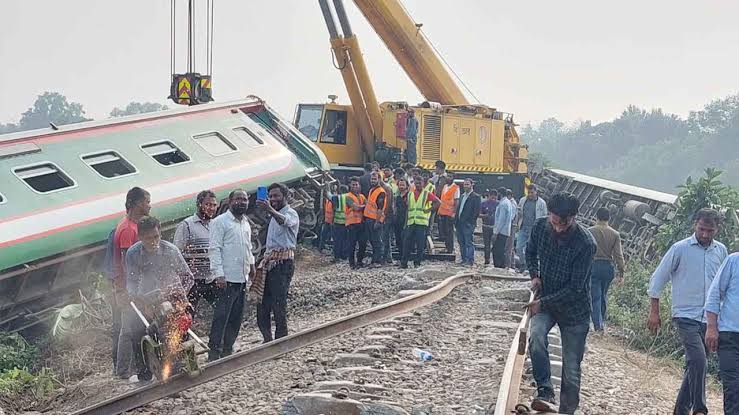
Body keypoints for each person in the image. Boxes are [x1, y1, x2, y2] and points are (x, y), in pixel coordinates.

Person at [647, 208, 727, 415]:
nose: (705, 235)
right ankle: (699, 408)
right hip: (685, 315)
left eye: (710, 230)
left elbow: (724, 287)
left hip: (710, 320)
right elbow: (658, 279)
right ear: (695, 225)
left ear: (717, 229)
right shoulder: (680, 248)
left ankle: (680, 411)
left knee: (694, 365)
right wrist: (654, 312)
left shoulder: (721, 252)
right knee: (699, 359)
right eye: (702, 229)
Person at [525, 192, 596, 414]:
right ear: (549, 216)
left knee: (571, 368)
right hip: (546, 299)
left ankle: (567, 410)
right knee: (535, 338)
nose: (558, 228)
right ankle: (545, 391)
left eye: (563, 224)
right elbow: (530, 252)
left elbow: (575, 289)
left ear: (574, 217)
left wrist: (542, 303)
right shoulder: (540, 227)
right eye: (554, 222)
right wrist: (535, 274)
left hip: (575, 311)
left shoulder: (586, 243)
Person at [122, 216, 194, 382]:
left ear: (160, 233)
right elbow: (132, 281)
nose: (153, 241)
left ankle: (182, 367)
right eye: (148, 238)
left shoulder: (170, 250)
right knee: (137, 331)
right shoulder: (133, 253)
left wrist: (178, 297)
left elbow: (188, 277)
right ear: (140, 237)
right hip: (146, 297)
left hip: (172, 295)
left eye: (156, 237)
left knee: (178, 329)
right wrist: (136, 298)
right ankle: (144, 373)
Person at [208, 189, 255, 361]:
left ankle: (228, 349)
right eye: (238, 199)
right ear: (230, 201)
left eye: (244, 199)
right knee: (221, 317)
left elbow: (248, 247)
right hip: (226, 279)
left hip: (241, 277)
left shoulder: (245, 223)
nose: (242, 202)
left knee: (236, 316)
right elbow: (214, 249)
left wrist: (252, 265)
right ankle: (214, 353)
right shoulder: (220, 222)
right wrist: (218, 274)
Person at [254, 183, 300, 342]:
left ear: (285, 197)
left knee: (278, 302)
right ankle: (267, 339)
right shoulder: (273, 215)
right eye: (271, 196)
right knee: (262, 303)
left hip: (283, 263)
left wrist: (270, 210)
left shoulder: (291, 213)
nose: (273, 199)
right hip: (269, 261)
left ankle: (281, 338)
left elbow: (285, 222)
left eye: (276, 196)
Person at [113, 187, 151, 379]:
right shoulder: (128, 229)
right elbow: (128, 263)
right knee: (128, 329)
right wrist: (130, 290)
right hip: (129, 287)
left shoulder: (136, 226)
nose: (149, 205)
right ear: (137, 204)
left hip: (137, 286)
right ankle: (122, 372)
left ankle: (136, 367)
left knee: (136, 327)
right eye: (147, 201)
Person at [173, 190, 218, 314]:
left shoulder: (215, 225)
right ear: (199, 204)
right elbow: (176, 254)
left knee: (222, 311)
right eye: (208, 205)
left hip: (211, 279)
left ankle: (219, 334)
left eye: (214, 205)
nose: (212, 208)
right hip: (193, 281)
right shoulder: (186, 225)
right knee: (186, 315)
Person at [705, 253, 739, 415]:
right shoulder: (734, 261)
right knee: (733, 386)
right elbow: (714, 294)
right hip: (729, 335)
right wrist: (711, 327)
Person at [587, 207, 625, 332]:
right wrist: (621, 272)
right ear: (609, 218)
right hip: (608, 267)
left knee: (595, 295)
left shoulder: (589, 231)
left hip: (594, 265)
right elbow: (618, 255)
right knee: (603, 295)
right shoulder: (615, 234)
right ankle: (602, 321)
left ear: (596, 217)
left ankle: (598, 326)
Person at [401, 171, 440, 269]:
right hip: (411, 222)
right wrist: (405, 223)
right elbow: (408, 209)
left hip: (421, 223)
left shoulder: (427, 193)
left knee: (420, 244)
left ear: (423, 183)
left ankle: (417, 262)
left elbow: (438, 202)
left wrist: (429, 210)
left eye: (420, 183)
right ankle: (404, 262)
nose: (418, 185)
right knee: (407, 243)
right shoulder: (410, 194)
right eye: (416, 183)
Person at [516, 184, 548, 271]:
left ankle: (528, 267)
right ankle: (523, 263)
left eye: (532, 192)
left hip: (533, 230)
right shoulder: (523, 200)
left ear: (536, 192)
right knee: (518, 247)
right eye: (528, 192)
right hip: (523, 227)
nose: (530, 194)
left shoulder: (541, 203)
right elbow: (519, 213)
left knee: (528, 249)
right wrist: (516, 224)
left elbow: (545, 218)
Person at [363, 171, 388, 267]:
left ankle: (377, 261)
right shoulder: (372, 190)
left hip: (375, 220)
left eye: (375, 179)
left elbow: (380, 208)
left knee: (377, 241)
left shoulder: (381, 192)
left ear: (379, 179)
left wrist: (377, 222)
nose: (373, 180)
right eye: (372, 179)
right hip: (370, 218)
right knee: (373, 241)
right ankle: (374, 260)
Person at [455, 178, 481, 266]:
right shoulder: (462, 196)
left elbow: (476, 212)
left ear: (472, 185)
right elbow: (459, 209)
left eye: (467, 184)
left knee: (468, 242)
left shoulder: (476, 197)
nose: (465, 186)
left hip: (468, 224)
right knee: (461, 242)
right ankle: (463, 259)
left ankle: (470, 260)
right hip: (459, 223)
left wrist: (471, 222)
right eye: (464, 184)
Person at [345, 177, 368, 269]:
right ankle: (352, 263)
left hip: (361, 223)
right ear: (350, 186)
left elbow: (367, 205)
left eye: (356, 184)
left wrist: (363, 206)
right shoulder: (348, 196)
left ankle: (359, 261)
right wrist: (364, 206)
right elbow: (356, 207)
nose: (354, 186)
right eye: (353, 184)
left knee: (363, 244)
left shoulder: (362, 196)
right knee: (352, 245)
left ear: (359, 186)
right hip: (352, 224)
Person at [437, 174, 460, 254]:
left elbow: (456, 201)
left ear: (453, 178)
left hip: (450, 213)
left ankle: (450, 248)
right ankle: (446, 247)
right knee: (444, 231)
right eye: (448, 176)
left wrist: (454, 213)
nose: (448, 178)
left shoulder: (455, 188)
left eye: (450, 177)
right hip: (443, 212)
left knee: (449, 231)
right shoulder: (445, 186)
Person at [492, 187, 514, 268]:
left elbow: (501, 220)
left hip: (501, 231)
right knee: (500, 249)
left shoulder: (503, 204)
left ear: (500, 194)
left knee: (497, 250)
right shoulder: (507, 202)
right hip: (505, 230)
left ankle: (499, 266)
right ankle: (501, 266)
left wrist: (495, 233)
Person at [330, 185, 350, 262]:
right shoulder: (349, 197)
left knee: (337, 240)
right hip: (347, 222)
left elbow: (329, 195)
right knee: (346, 240)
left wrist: (328, 186)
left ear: (340, 190)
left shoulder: (337, 197)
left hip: (338, 222)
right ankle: (344, 256)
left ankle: (337, 257)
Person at [480, 190, 499, 266]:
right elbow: (479, 214)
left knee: (495, 245)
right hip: (486, 226)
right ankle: (487, 260)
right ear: (489, 196)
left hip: (495, 227)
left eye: (495, 196)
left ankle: (495, 261)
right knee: (487, 244)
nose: (493, 198)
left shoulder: (499, 204)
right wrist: (485, 216)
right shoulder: (484, 203)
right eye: (492, 196)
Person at [393, 178, 410, 261]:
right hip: (397, 220)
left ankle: (404, 259)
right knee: (398, 240)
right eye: (400, 185)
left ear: (407, 186)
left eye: (403, 185)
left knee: (405, 240)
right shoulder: (397, 196)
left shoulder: (409, 195)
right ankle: (400, 258)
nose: (401, 187)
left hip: (405, 220)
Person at [318, 183, 337, 253]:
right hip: (327, 221)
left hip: (332, 222)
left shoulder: (334, 199)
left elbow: (334, 210)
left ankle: (335, 252)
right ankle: (320, 248)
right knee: (323, 235)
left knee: (334, 237)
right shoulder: (327, 200)